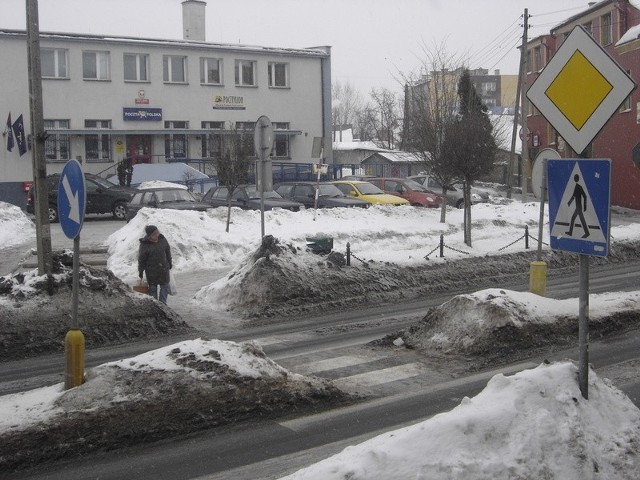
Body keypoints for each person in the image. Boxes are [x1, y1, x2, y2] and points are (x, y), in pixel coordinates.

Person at [138, 225, 172, 304]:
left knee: (165, 287)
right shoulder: (144, 244)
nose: (157, 235)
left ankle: (163, 305)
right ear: (149, 236)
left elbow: (167, 251)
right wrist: (140, 271)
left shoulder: (162, 239)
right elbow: (141, 259)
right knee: (153, 289)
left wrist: (169, 262)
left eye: (157, 232)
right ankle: (156, 305)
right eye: (154, 234)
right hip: (151, 271)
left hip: (163, 269)